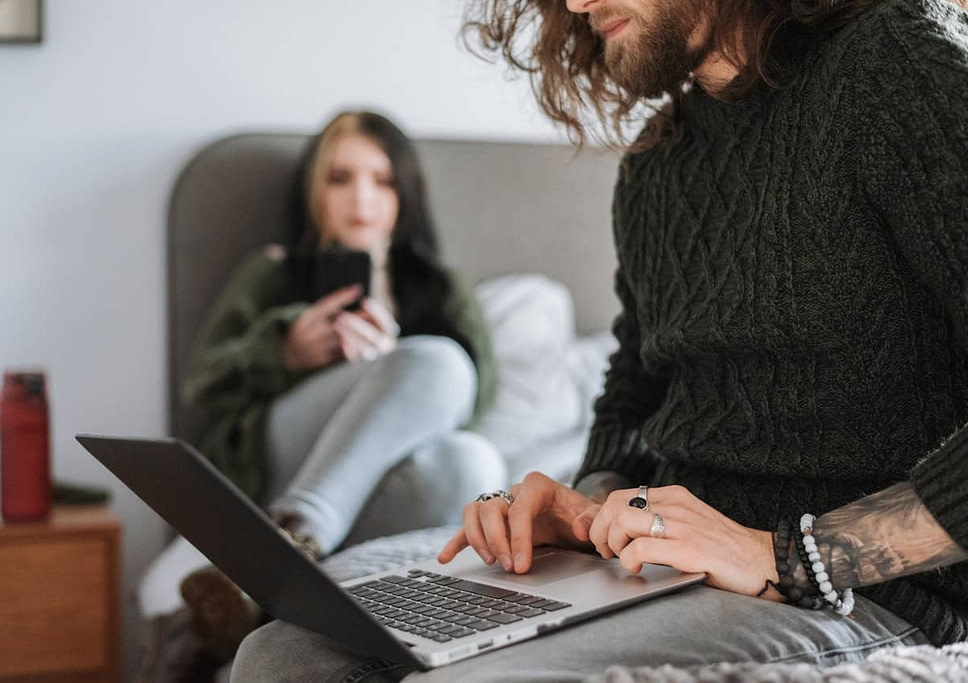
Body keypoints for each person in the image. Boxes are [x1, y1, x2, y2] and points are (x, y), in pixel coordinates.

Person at [229, 0, 968, 681]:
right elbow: (631, 399)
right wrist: (587, 507)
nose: (578, 3)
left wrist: (783, 556)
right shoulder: (656, 164)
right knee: (282, 652)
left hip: (868, 597)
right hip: (666, 567)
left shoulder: (891, 63)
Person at [169, 111, 506, 675]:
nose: (362, 199)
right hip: (282, 457)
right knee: (441, 361)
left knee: (472, 459)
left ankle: (304, 574)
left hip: (384, 482)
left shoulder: (440, 287)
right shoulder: (274, 272)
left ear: (405, 193)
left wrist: (395, 374)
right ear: (313, 189)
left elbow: (480, 396)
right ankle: (289, 533)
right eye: (340, 178)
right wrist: (284, 352)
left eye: (382, 180)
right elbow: (203, 384)